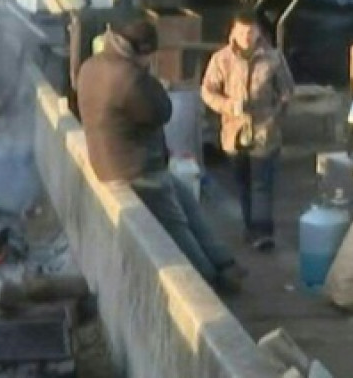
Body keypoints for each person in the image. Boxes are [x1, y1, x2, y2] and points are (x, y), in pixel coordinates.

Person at [76, 16, 246, 293]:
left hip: (113, 162)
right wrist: (150, 78)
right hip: (135, 170)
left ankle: (223, 261)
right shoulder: (129, 78)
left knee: (186, 200)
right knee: (176, 223)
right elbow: (162, 111)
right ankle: (209, 280)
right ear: (141, 51)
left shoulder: (91, 66)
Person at [200, 10, 295, 251]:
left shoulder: (273, 58)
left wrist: (276, 117)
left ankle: (263, 233)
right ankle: (249, 227)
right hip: (234, 132)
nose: (246, 36)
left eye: (251, 31)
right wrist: (229, 106)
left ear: (259, 32)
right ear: (233, 31)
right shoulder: (221, 59)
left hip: (265, 131)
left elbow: (287, 91)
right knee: (242, 182)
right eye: (242, 31)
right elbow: (208, 91)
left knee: (261, 183)